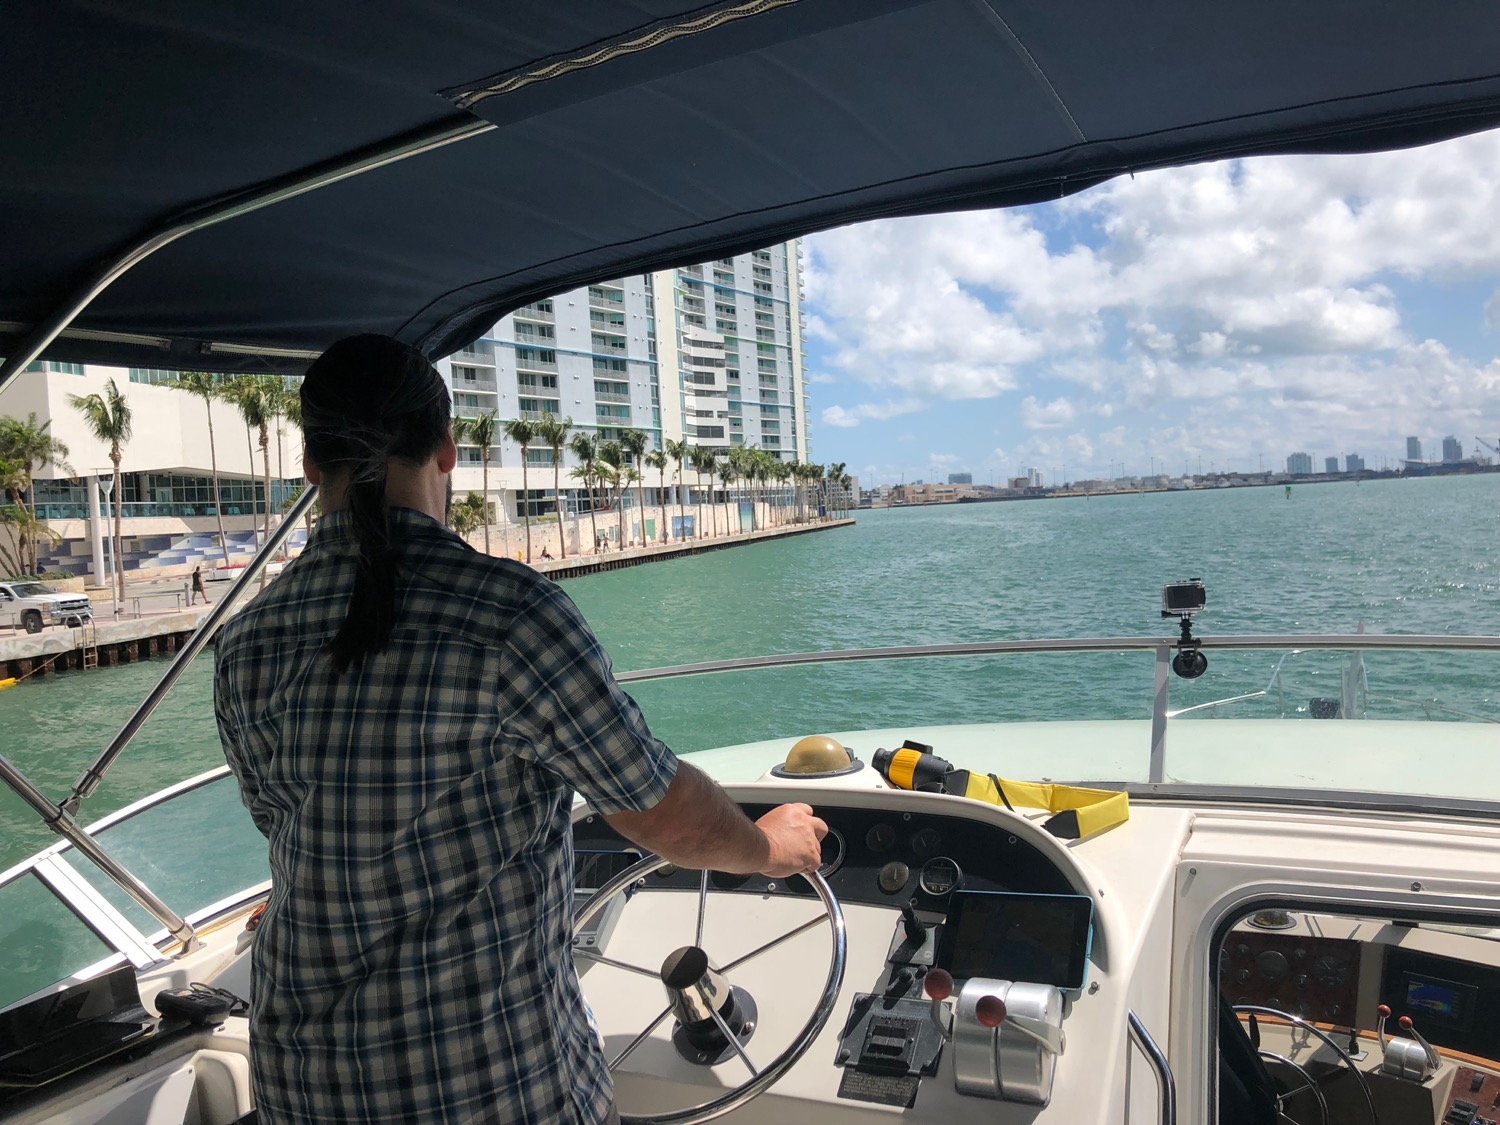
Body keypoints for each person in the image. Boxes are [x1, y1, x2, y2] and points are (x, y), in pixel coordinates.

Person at [213, 335, 825, 1125]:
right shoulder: (506, 613)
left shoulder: (245, 641)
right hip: (488, 1088)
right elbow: (662, 813)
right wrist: (770, 846)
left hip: (302, 1088)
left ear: (309, 464)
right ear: (446, 450)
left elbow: (281, 824)